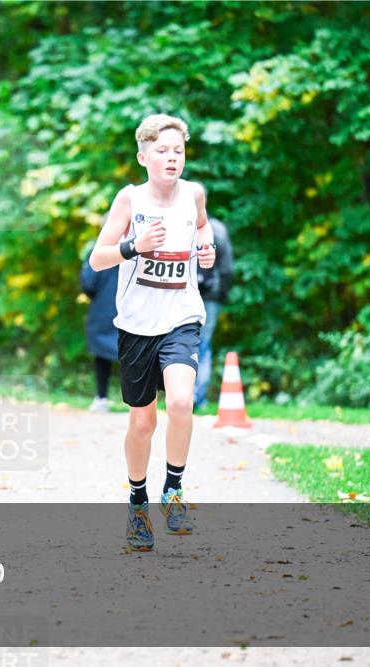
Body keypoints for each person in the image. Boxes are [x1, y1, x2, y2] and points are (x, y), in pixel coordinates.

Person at [89, 113, 216, 552]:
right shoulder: (130, 200)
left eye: (178, 150)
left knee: (180, 401)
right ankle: (137, 501)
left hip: (182, 316)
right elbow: (98, 258)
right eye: (162, 151)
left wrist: (205, 247)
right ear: (144, 157)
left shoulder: (194, 195)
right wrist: (134, 247)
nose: (172, 157)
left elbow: (203, 228)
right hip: (136, 326)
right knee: (143, 421)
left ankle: (173, 489)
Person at [193, 213, 234, 411]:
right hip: (211, 296)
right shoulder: (217, 229)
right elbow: (227, 269)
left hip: (184, 292)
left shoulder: (179, 223)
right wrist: (221, 294)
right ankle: (198, 398)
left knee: (182, 342)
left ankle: (185, 395)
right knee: (203, 345)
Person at [81, 238, 120, 413]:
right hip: (131, 310)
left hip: (103, 310)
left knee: (102, 357)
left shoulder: (97, 251)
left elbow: (88, 284)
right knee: (133, 355)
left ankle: (102, 398)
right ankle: (138, 401)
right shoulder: (139, 247)